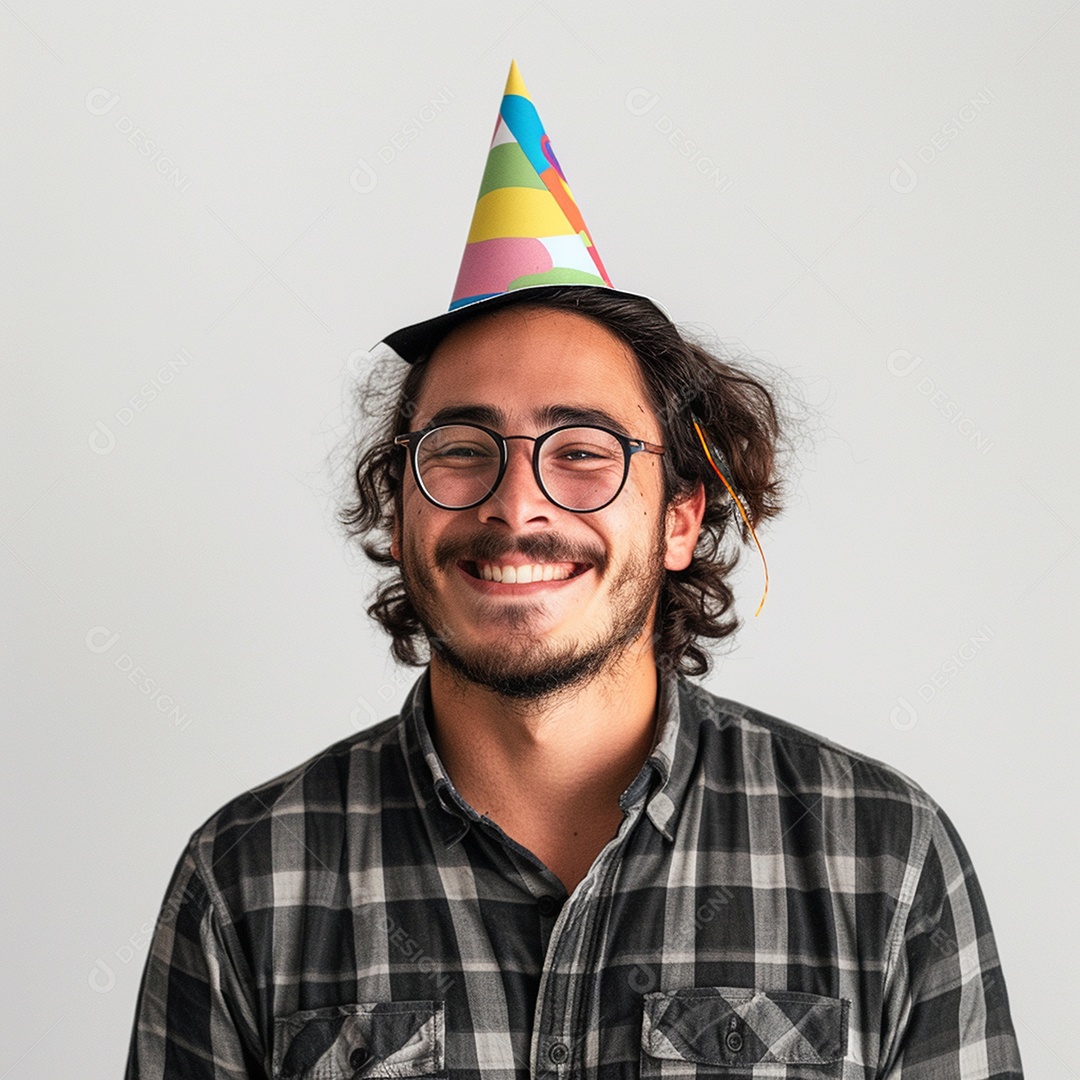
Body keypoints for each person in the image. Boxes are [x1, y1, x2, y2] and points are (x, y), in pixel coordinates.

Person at [126, 62, 1022, 1080]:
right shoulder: (249, 879)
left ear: (682, 514)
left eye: (584, 451)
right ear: (402, 499)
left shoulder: (883, 858)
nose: (516, 507)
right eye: (461, 448)